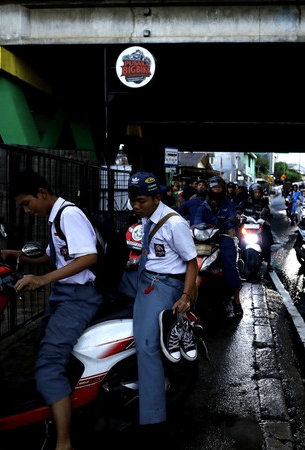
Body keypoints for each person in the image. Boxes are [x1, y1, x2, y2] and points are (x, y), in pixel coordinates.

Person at [0, 171, 104, 450]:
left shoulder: (68, 214)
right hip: (63, 295)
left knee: (48, 364)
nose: (26, 210)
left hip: (79, 297)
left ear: (42, 194)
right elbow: (51, 256)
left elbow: (89, 256)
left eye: (25, 203)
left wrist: (42, 279)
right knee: (43, 347)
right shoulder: (55, 217)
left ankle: (63, 442)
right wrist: (13, 255)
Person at [117, 171, 198, 437]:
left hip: (162, 284)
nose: (135, 205)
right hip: (142, 276)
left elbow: (191, 262)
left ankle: (153, 418)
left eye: (140, 200)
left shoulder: (174, 223)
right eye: (132, 200)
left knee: (147, 345)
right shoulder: (147, 218)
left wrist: (185, 296)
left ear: (156, 197)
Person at [193, 175, 243, 316]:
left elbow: (233, 219)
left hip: (223, 239)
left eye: (220, 188)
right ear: (210, 189)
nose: (217, 190)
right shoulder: (203, 206)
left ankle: (237, 301)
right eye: (215, 188)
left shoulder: (228, 204)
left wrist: (232, 225)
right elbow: (196, 222)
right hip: (206, 241)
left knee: (230, 265)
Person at [237, 182, 275, 270]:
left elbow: (269, 214)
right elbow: (238, 211)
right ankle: (237, 259)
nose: (257, 194)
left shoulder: (263, 203)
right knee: (237, 240)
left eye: (259, 192)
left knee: (267, 241)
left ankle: (268, 262)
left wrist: (267, 220)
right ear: (251, 193)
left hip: (259, 227)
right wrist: (239, 216)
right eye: (255, 192)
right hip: (246, 227)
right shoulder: (245, 202)